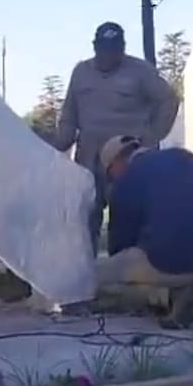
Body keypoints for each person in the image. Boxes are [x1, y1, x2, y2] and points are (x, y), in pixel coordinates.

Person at [55, 22, 179, 256]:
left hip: (127, 160)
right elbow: (69, 114)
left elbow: (169, 100)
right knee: (85, 218)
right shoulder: (81, 72)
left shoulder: (140, 71)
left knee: (127, 219)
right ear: (95, 47)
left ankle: (128, 275)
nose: (108, 55)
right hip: (89, 159)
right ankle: (85, 275)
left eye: (114, 49)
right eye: (103, 48)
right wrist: (59, 144)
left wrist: (151, 137)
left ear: (122, 48)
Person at [96, 135, 193, 328]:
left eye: (110, 174)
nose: (112, 179)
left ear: (115, 164)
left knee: (103, 279)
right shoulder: (183, 156)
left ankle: (170, 295)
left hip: (173, 259)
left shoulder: (125, 181)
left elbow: (120, 245)